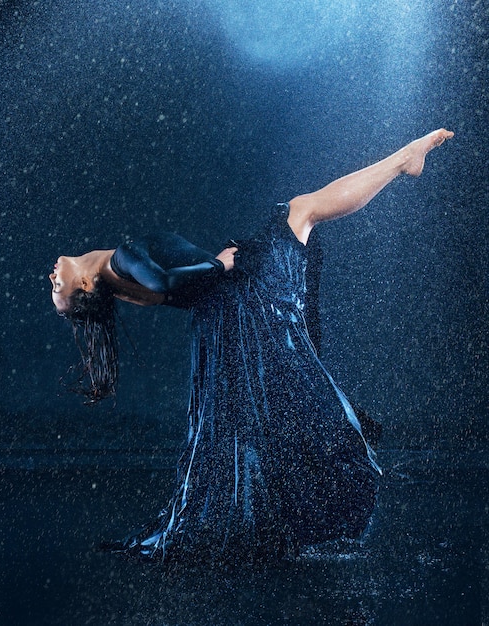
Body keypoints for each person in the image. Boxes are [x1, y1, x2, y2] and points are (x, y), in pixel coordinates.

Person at [50, 129, 453, 562]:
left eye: (54, 285)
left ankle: (403, 160)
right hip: (244, 285)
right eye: (60, 287)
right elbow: (170, 280)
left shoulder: (121, 285)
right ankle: (405, 159)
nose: (53, 277)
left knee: (303, 212)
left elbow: (178, 292)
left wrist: (213, 269)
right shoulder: (121, 258)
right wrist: (216, 262)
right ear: (86, 284)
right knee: (302, 209)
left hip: (234, 301)